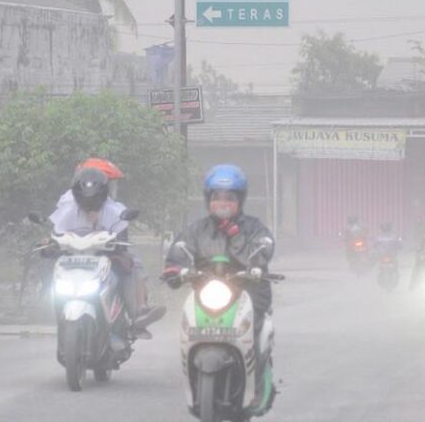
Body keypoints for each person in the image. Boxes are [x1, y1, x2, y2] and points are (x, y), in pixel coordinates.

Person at [161, 164, 275, 406]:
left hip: (248, 288)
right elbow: (179, 251)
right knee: (189, 327)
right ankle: (194, 380)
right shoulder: (196, 230)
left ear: (240, 200)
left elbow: (264, 244)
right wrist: (176, 270)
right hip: (207, 290)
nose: (223, 203)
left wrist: (254, 261)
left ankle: (256, 386)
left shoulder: (252, 228)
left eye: (230, 198)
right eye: (217, 197)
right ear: (208, 199)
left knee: (253, 328)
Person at [49, 158, 165, 339]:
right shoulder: (67, 205)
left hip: (105, 258)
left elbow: (122, 239)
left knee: (132, 263)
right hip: (73, 260)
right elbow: (55, 232)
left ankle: (138, 312)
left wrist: (115, 247)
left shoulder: (114, 209)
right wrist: (49, 244)